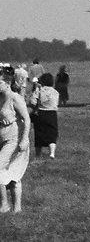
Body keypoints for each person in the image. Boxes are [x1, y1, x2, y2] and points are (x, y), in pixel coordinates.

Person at [0, 70, 32, 214]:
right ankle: (16, 209)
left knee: (6, 170)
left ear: (7, 83)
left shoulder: (15, 98)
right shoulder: (1, 98)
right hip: (3, 139)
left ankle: (5, 205)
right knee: (11, 173)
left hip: (15, 140)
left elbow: (27, 118)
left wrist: (24, 139)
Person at [28, 74, 59, 160]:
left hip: (41, 113)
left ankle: (38, 155)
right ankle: (52, 153)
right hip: (52, 114)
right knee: (52, 134)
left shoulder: (40, 90)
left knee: (39, 134)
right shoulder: (56, 92)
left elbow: (32, 102)